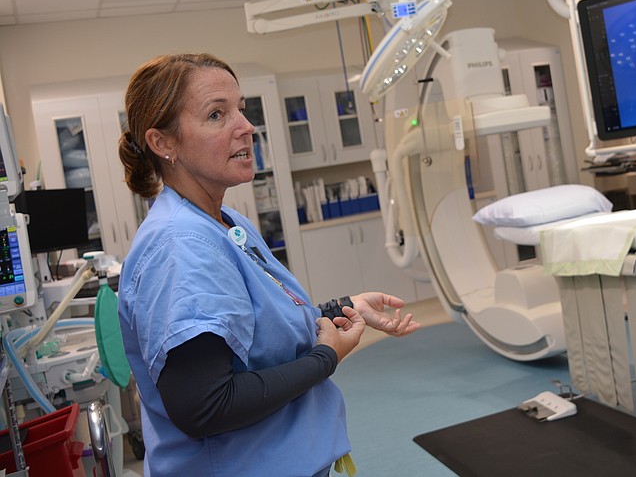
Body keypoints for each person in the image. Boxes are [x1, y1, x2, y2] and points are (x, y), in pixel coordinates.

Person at [117, 53, 420, 477]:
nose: (246, 126)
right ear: (162, 143)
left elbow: (255, 332)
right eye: (217, 114)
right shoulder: (179, 246)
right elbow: (206, 406)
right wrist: (325, 358)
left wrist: (340, 308)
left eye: (241, 108)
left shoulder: (225, 223)